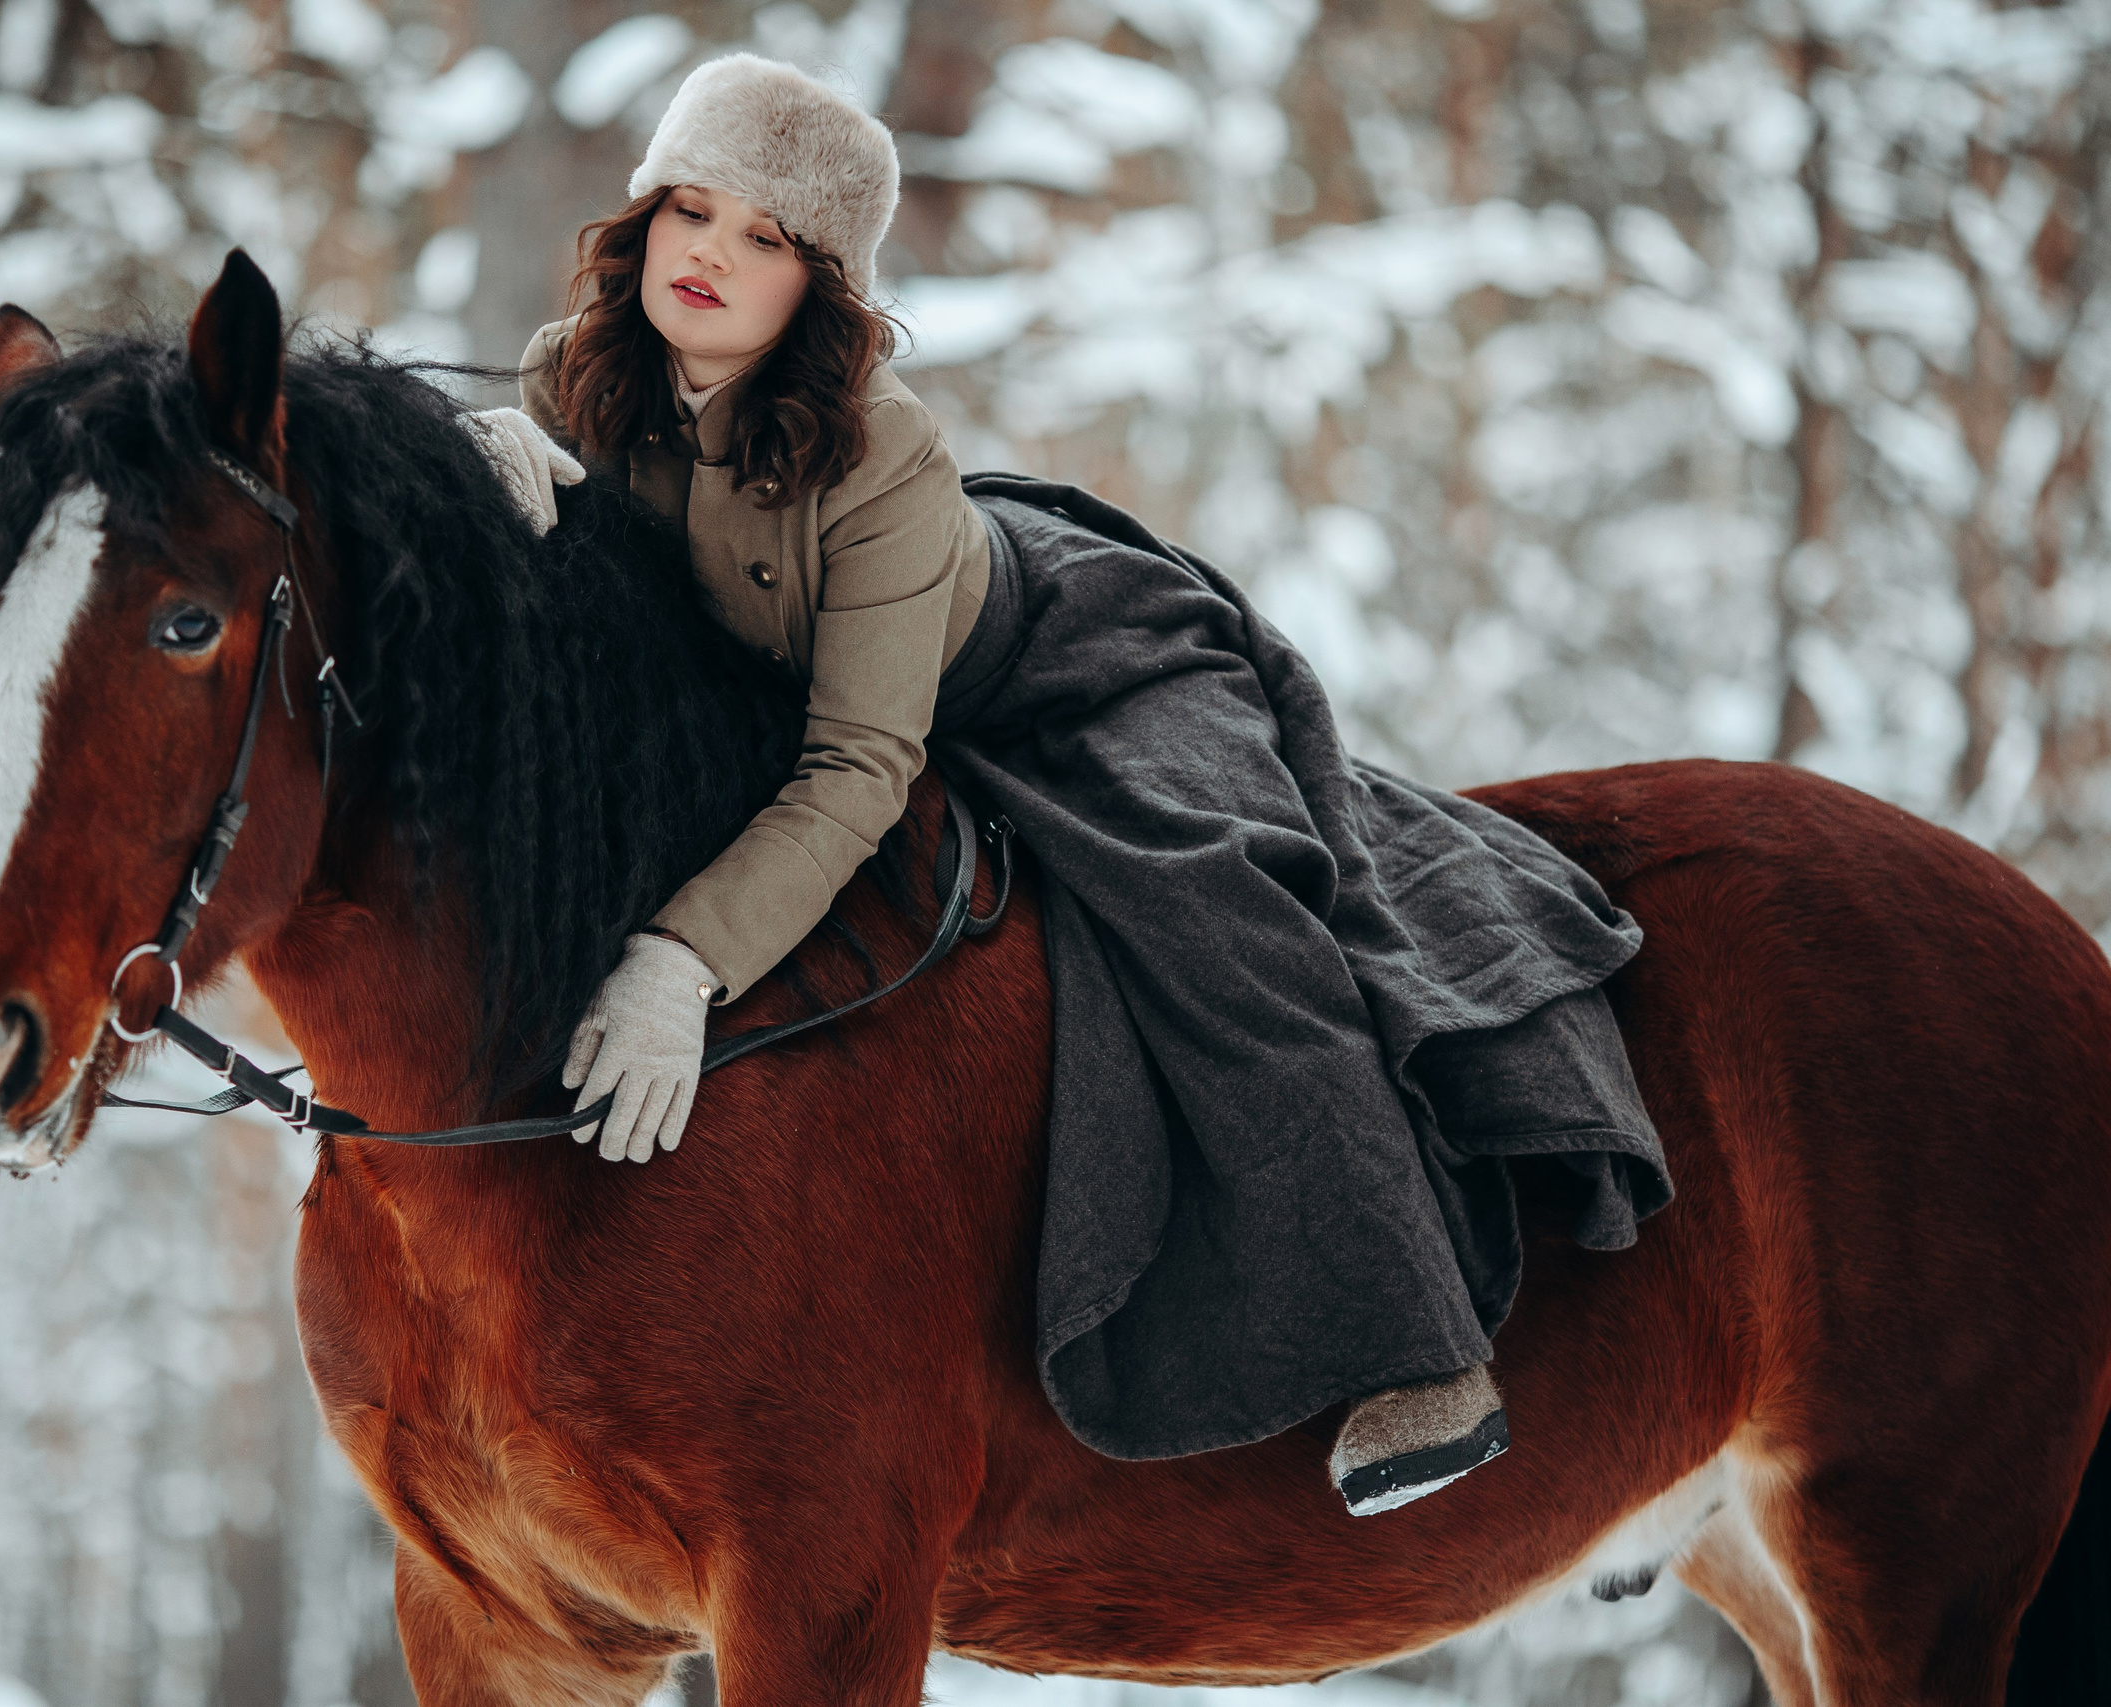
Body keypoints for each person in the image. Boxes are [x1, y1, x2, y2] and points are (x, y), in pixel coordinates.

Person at [460, 54, 1669, 1516]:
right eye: (690, 209)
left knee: (1218, 912)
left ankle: (1417, 1345)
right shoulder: (573, 377)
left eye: (766, 236)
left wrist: (683, 959)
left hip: (1069, 670)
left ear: (821, 287)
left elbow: (858, 763)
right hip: (836, 684)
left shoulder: (880, 452)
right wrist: (477, 491)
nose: (708, 253)